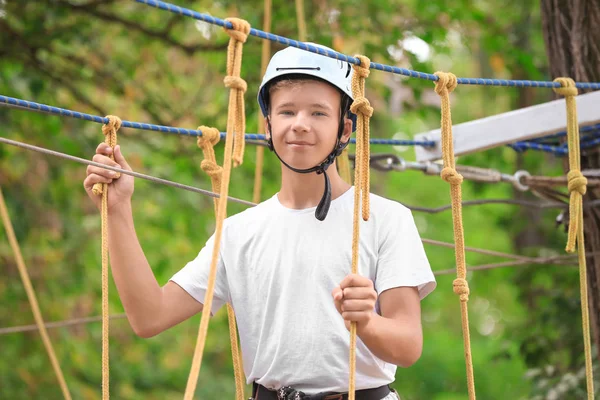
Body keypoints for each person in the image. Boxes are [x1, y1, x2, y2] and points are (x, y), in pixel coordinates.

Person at [83, 44, 436, 400]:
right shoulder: (239, 233)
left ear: (345, 130)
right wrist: (117, 210)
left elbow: (408, 346)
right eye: (287, 111)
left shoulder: (384, 219)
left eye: (318, 113)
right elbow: (149, 316)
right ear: (268, 126)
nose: (300, 124)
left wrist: (368, 322)